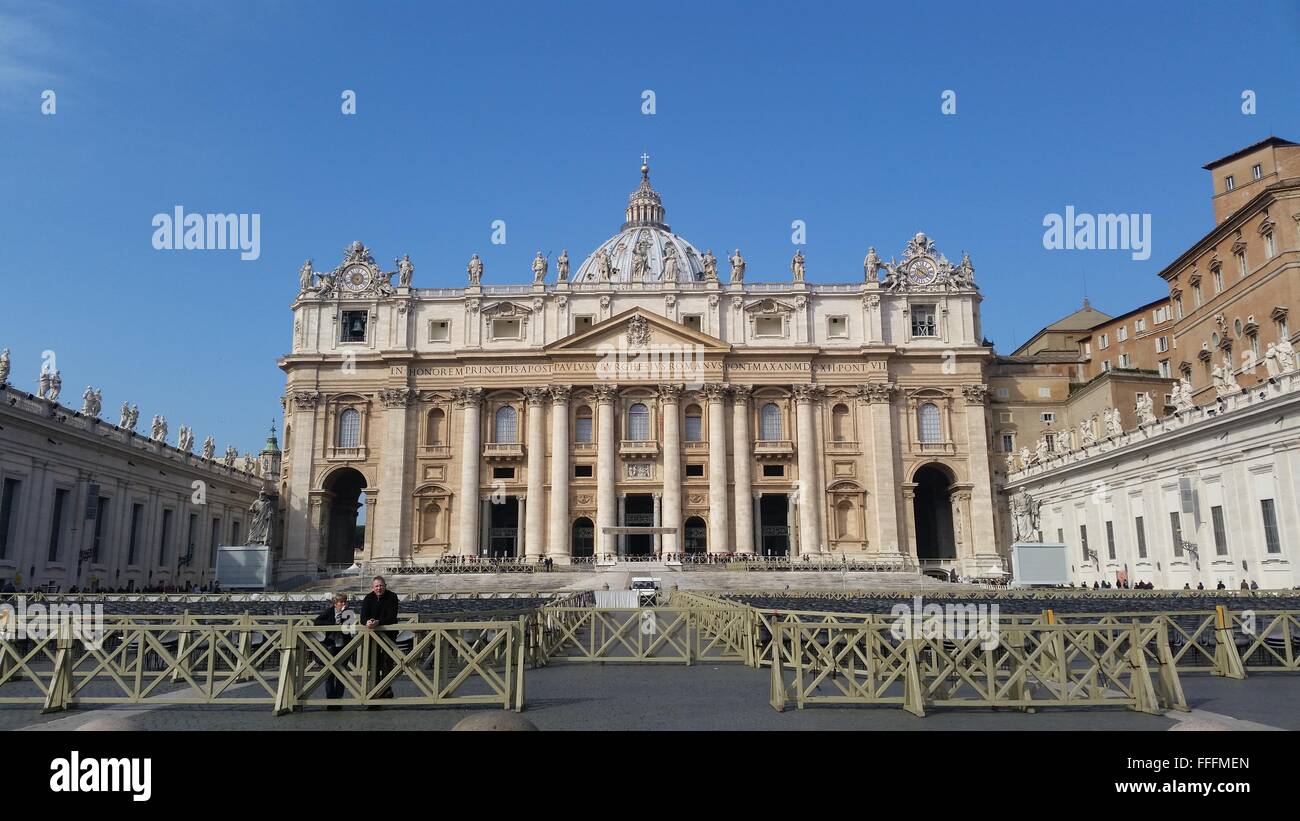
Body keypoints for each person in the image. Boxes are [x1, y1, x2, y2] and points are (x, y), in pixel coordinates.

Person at [361, 575, 400, 706]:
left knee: (387, 663)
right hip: (373, 635)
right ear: (373, 588)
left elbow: (392, 616)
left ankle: (386, 688)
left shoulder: (392, 597)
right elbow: (363, 617)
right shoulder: (368, 598)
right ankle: (376, 688)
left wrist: (378, 622)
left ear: (385, 586)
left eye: (381, 585)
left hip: (388, 634)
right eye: (377, 586)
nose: (379, 588)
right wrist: (368, 621)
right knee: (375, 662)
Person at [313, 592, 351, 710]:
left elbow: (349, 628)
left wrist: (342, 615)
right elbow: (317, 622)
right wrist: (333, 624)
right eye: (340, 602)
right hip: (331, 645)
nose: (343, 604)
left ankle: (338, 700)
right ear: (335, 604)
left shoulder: (349, 613)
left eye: (344, 602)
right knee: (329, 674)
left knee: (341, 673)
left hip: (344, 645)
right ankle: (330, 700)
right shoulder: (329, 612)